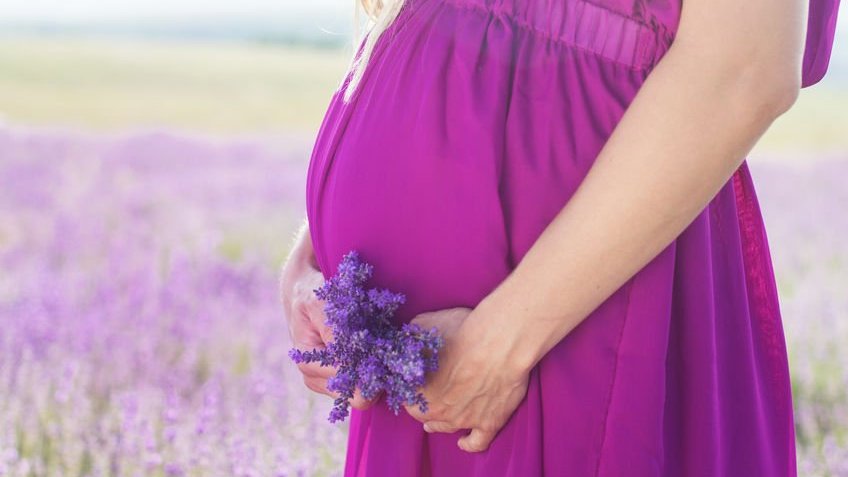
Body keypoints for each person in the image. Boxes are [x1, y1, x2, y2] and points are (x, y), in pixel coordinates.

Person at [280, 0, 841, 474]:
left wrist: (500, 346)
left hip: (561, 320)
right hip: (424, 363)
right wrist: (316, 248)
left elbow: (746, 69)